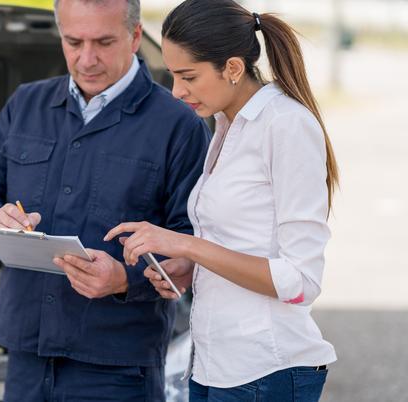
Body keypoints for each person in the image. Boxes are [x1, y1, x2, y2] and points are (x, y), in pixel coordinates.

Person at [0, 0, 210, 400]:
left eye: (104, 42)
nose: (87, 59)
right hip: (26, 352)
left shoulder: (180, 125)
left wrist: (125, 281)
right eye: (74, 42)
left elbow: (193, 246)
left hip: (117, 364)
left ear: (135, 37)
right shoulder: (26, 104)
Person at [104, 1, 339, 401]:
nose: (176, 91)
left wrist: (185, 244)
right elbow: (241, 243)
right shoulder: (225, 124)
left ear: (232, 68)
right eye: (173, 75)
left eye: (188, 76)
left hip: (267, 370)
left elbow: (301, 281)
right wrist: (187, 267)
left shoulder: (286, 125)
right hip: (215, 365)